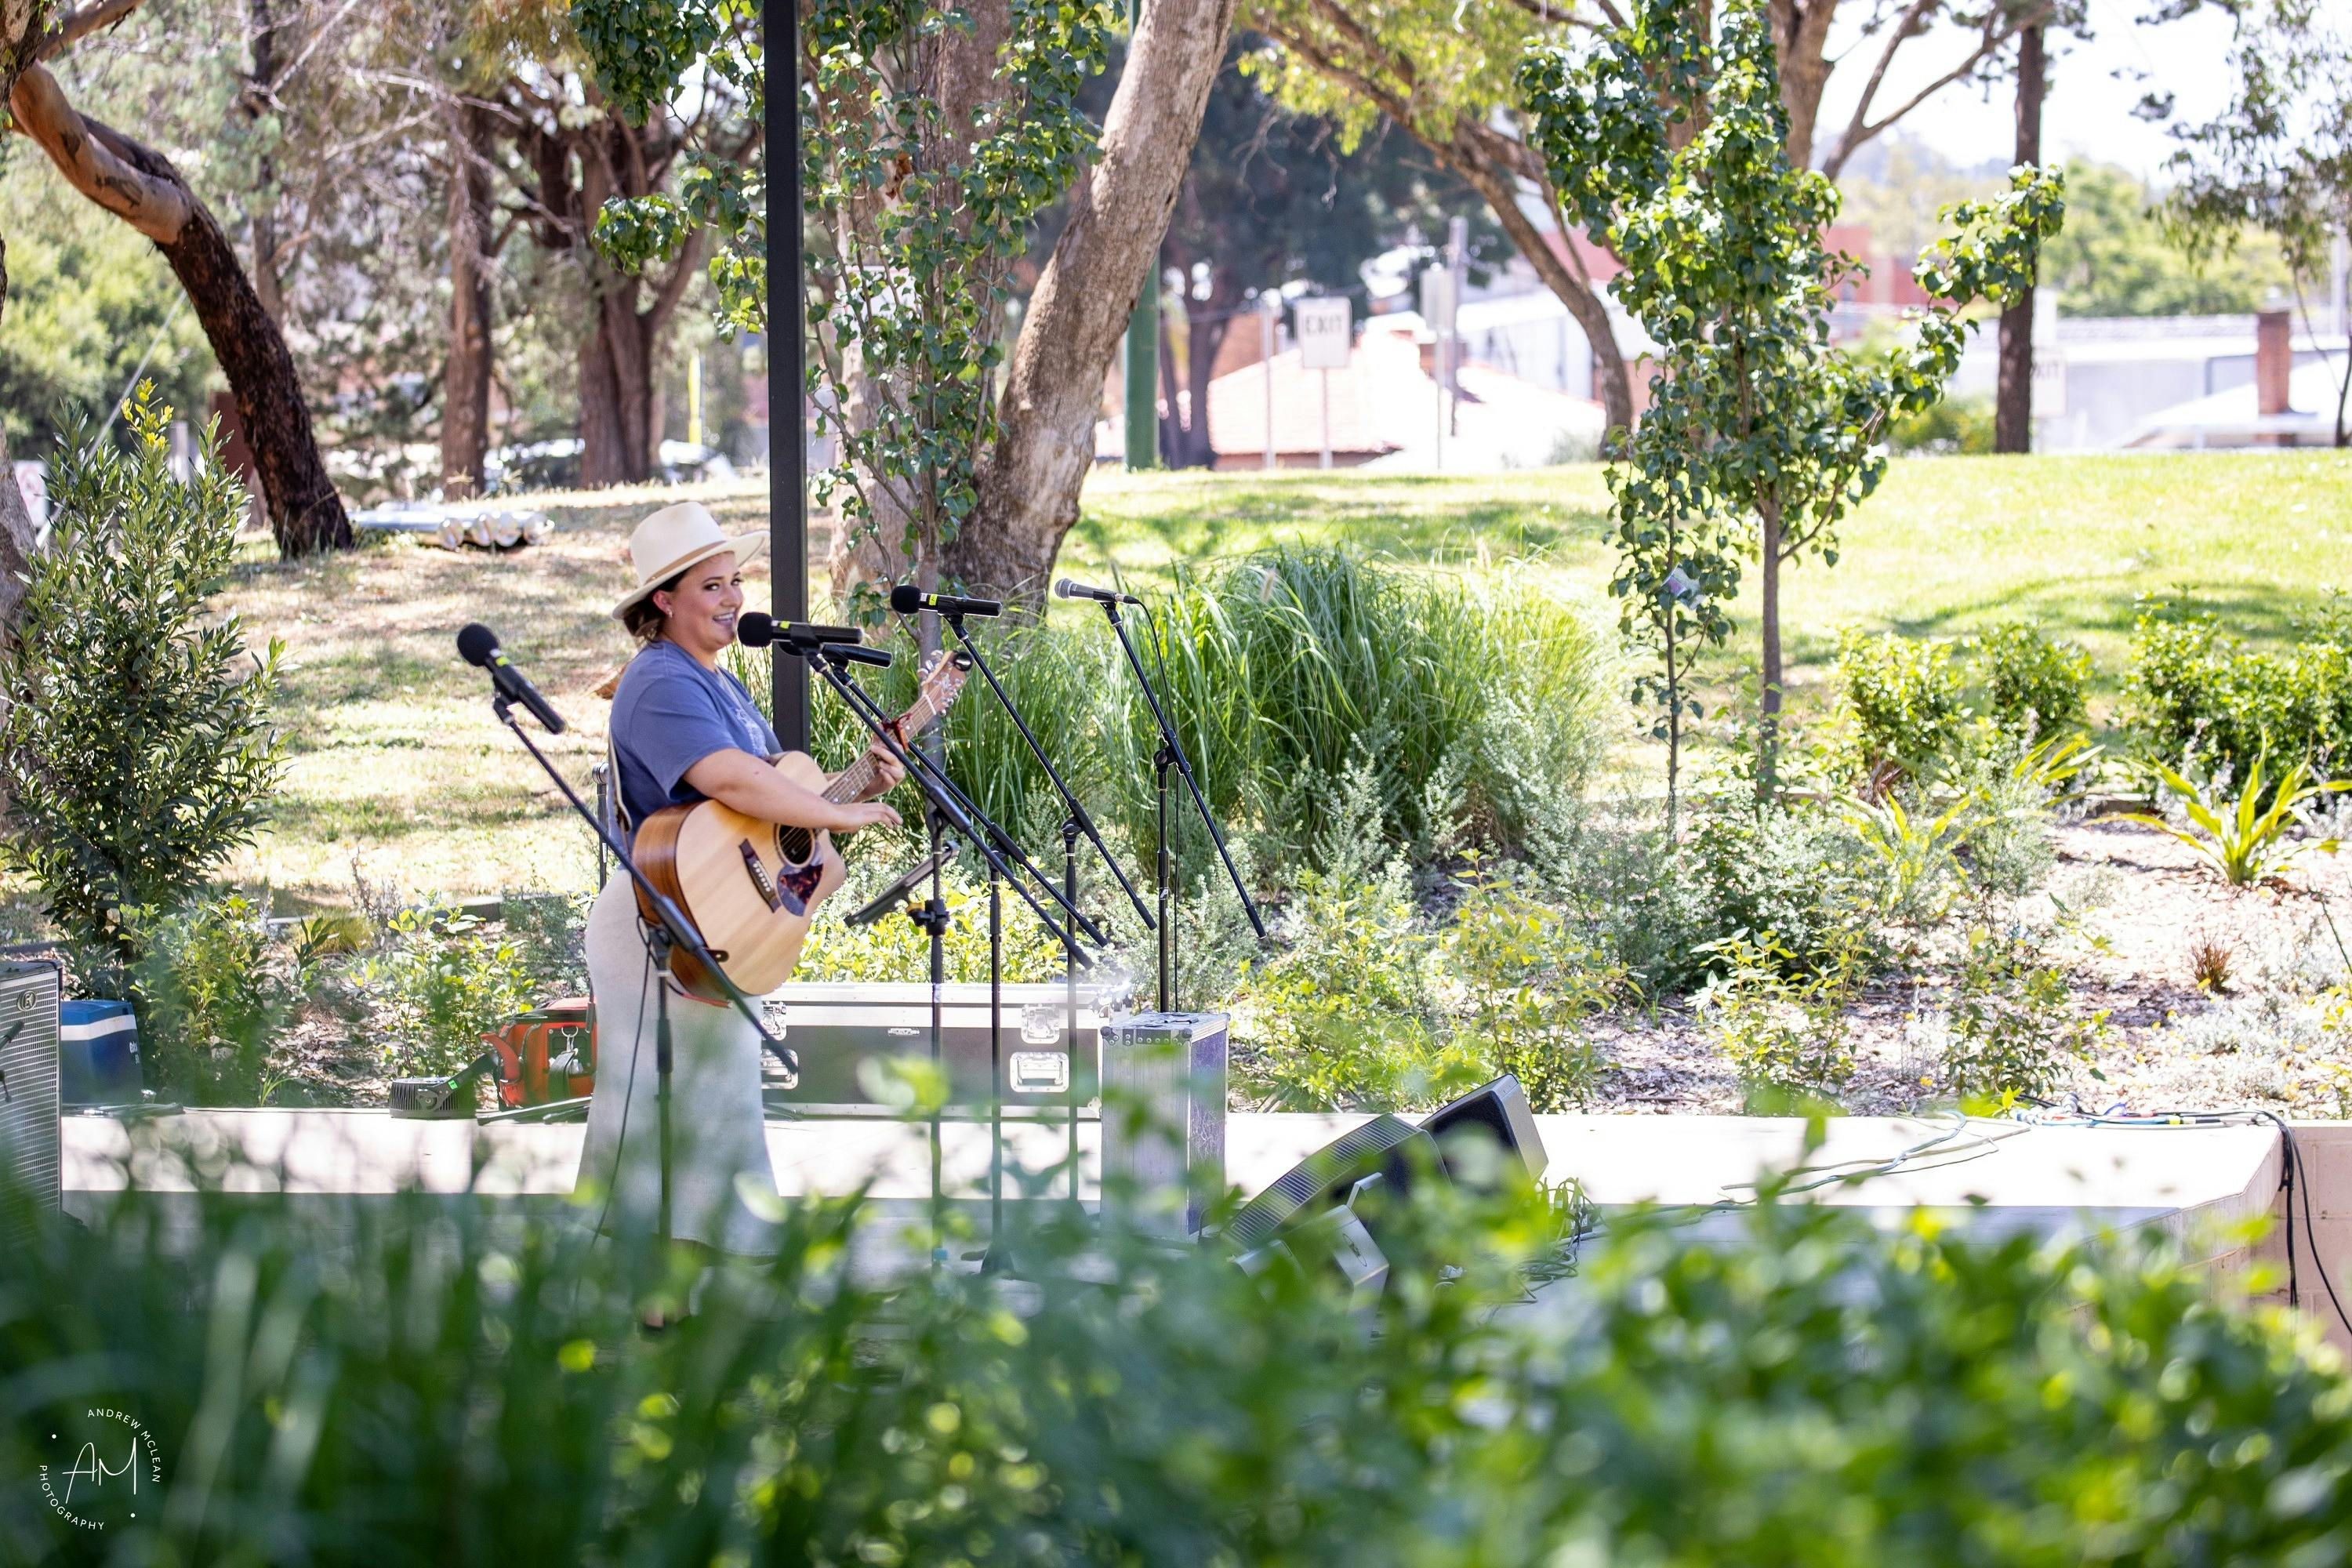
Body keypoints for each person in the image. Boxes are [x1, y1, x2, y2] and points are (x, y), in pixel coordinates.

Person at [575, 501, 902, 1319]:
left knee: (710, 1115)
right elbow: (731, 780)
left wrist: (850, 793)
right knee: (659, 1118)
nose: (731, 599)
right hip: (653, 923)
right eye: (710, 585)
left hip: (713, 921)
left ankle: (688, 1303)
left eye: (735, 582)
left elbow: (767, 825)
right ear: (662, 602)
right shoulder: (656, 678)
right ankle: (648, 1304)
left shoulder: (719, 684)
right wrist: (837, 813)